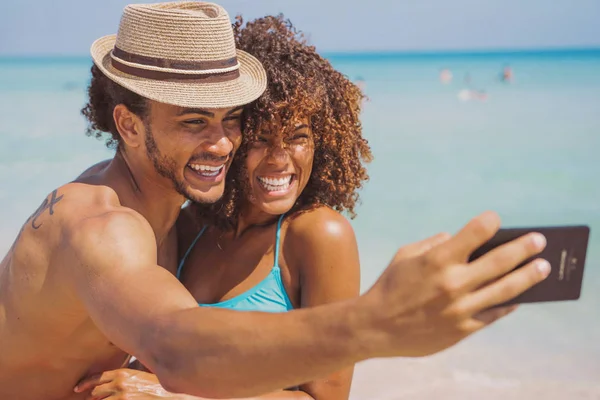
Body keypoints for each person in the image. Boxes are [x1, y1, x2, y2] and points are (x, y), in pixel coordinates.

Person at [0, 2, 550, 400]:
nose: (221, 143)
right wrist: (378, 322)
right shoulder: (105, 226)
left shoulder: (173, 213)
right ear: (129, 125)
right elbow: (175, 347)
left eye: (232, 120)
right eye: (193, 121)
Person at [75, 14, 370, 400]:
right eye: (262, 139)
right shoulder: (188, 225)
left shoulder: (317, 235)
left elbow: (325, 397)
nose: (280, 160)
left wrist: (176, 395)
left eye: (298, 137)